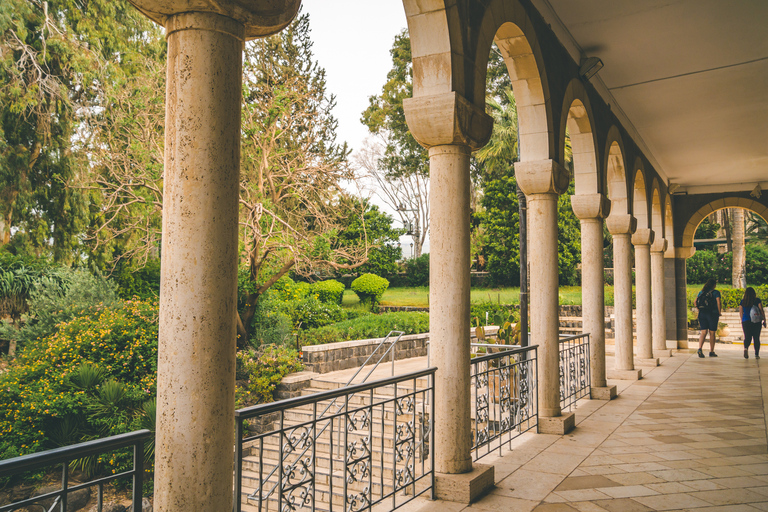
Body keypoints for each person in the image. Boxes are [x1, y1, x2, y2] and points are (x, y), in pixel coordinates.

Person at [696, 278, 721, 358]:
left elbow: (695, 301)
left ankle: (700, 348)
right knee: (712, 333)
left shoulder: (701, 292)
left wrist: (699, 309)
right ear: (714, 285)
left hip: (702, 314)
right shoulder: (716, 292)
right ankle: (711, 351)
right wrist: (719, 312)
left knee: (703, 332)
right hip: (712, 314)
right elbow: (718, 302)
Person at [739, 287, 767, 359]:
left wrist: (743, 320)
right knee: (756, 337)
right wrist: (764, 320)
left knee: (747, 336)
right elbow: (761, 310)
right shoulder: (757, 300)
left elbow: (741, 312)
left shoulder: (743, 301)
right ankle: (756, 354)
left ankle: (745, 348)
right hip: (756, 321)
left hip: (746, 321)